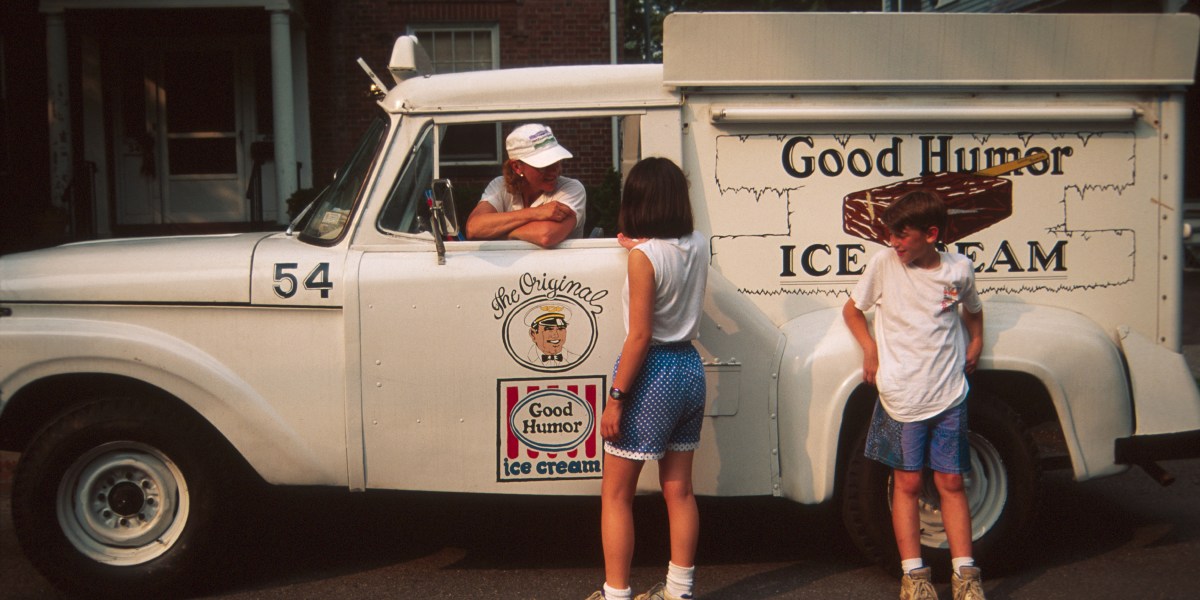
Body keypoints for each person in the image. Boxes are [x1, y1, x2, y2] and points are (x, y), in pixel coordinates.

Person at [841, 190, 986, 600]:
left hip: (948, 393)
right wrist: (870, 350)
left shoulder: (959, 269)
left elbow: (972, 308)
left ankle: (966, 576)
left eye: (902, 236)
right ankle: (914, 577)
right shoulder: (884, 265)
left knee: (952, 482)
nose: (894, 243)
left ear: (931, 234)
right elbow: (853, 309)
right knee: (905, 483)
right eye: (891, 235)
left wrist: (976, 340)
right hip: (902, 395)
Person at [588, 157, 708, 600]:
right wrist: (637, 249)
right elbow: (670, 255)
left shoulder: (644, 257)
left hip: (652, 372)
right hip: (689, 369)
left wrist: (616, 397)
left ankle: (616, 594)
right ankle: (679, 592)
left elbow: (639, 336)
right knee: (679, 490)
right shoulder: (698, 243)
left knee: (616, 493)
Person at [465, 123, 586, 248]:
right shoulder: (500, 185)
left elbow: (546, 235)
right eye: (544, 166)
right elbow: (473, 228)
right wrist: (536, 213)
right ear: (517, 167)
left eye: (557, 162)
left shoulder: (571, 189)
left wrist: (500, 233)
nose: (555, 171)